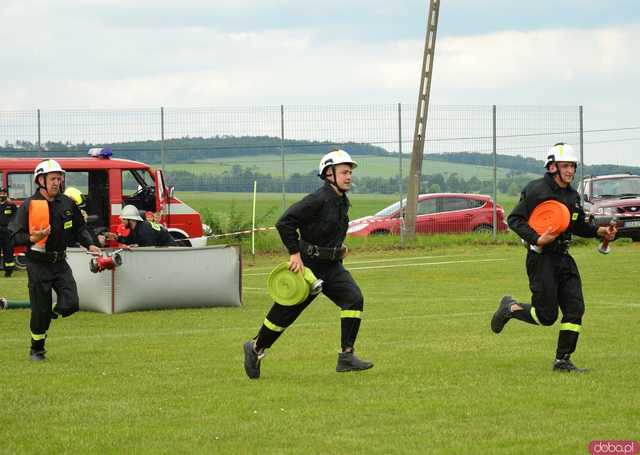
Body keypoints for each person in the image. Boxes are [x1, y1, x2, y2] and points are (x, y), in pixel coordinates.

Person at [243, 148, 373, 379]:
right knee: (284, 316)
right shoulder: (317, 199)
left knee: (353, 299)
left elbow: (330, 229)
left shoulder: (342, 201)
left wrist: (338, 248)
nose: (349, 176)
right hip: (307, 267)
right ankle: (255, 348)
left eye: (350, 172)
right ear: (329, 174)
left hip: (332, 267)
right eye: (344, 172)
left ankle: (346, 356)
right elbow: (285, 223)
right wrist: (294, 253)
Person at [491, 143, 616, 372]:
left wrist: (599, 231)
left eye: (572, 166)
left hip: (564, 258)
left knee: (575, 309)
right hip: (541, 260)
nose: (570, 171)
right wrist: (537, 239)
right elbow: (515, 220)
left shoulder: (572, 195)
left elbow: (576, 224)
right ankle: (511, 308)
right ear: (552, 167)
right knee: (546, 316)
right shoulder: (536, 190)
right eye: (565, 166)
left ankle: (562, 360)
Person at [9, 159, 101, 361]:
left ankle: (53, 313)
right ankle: (37, 348)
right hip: (37, 264)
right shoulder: (28, 206)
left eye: (59, 179)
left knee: (71, 303)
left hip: (60, 263)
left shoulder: (67, 203)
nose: (56, 183)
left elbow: (79, 228)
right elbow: (13, 236)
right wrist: (32, 238)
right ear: (40, 180)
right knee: (40, 312)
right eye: (52, 179)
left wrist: (90, 244)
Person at [105, 204, 177, 247]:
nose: (122, 222)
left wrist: (138, 246)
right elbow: (130, 240)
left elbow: (149, 251)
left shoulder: (144, 230)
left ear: (131, 220)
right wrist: (117, 238)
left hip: (169, 250)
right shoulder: (136, 228)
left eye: (124, 219)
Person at [0, 188, 18, 277]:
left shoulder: (11, 205)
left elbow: (16, 216)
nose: (2, 195)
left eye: (4, 193)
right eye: (1, 193)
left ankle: (8, 272)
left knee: (8, 252)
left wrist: (11, 228)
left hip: (7, 232)